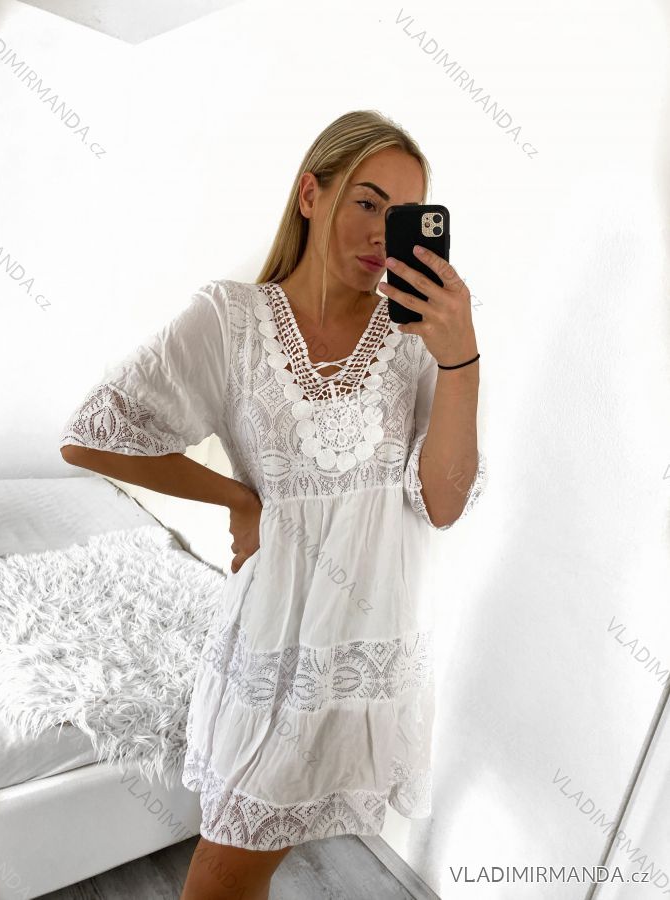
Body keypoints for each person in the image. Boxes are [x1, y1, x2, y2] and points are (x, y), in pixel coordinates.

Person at [59, 109, 486, 900]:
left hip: (364, 654)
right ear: (310, 195)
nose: (380, 231)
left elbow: (443, 503)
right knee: (221, 881)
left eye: (401, 214)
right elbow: (91, 436)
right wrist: (237, 497)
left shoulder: (420, 338)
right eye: (366, 201)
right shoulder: (232, 320)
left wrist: (460, 360)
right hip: (273, 650)